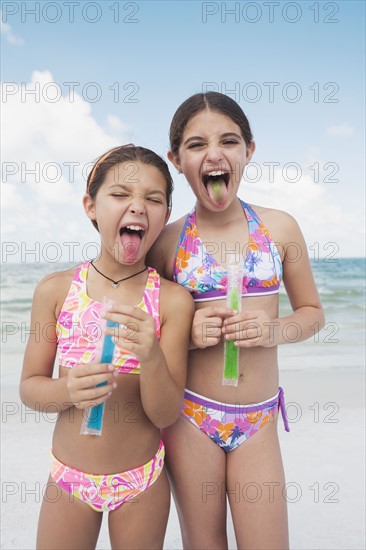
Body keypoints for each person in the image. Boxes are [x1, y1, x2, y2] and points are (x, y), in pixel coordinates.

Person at [148, 92, 325, 549]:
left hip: (258, 419)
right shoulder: (167, 244)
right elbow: (149, 337)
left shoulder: (279, 229)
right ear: (176, 160)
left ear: (249, 150)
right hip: (190, 417)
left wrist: (272, 330)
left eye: (229, 141)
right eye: (195, 144)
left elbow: (312, 314)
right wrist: (186, 337)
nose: (214, 154)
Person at [20, 144, 194, 549]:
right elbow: (30, 388)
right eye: (120, 195)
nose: (137, 207)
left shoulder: (171, 301)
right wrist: (65, 390)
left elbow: (165, 413)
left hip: (140, 482)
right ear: (91, 206)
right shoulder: (56, 290)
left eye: (153, 200)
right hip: (69, 479)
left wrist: (150, 355)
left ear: (165, 216)